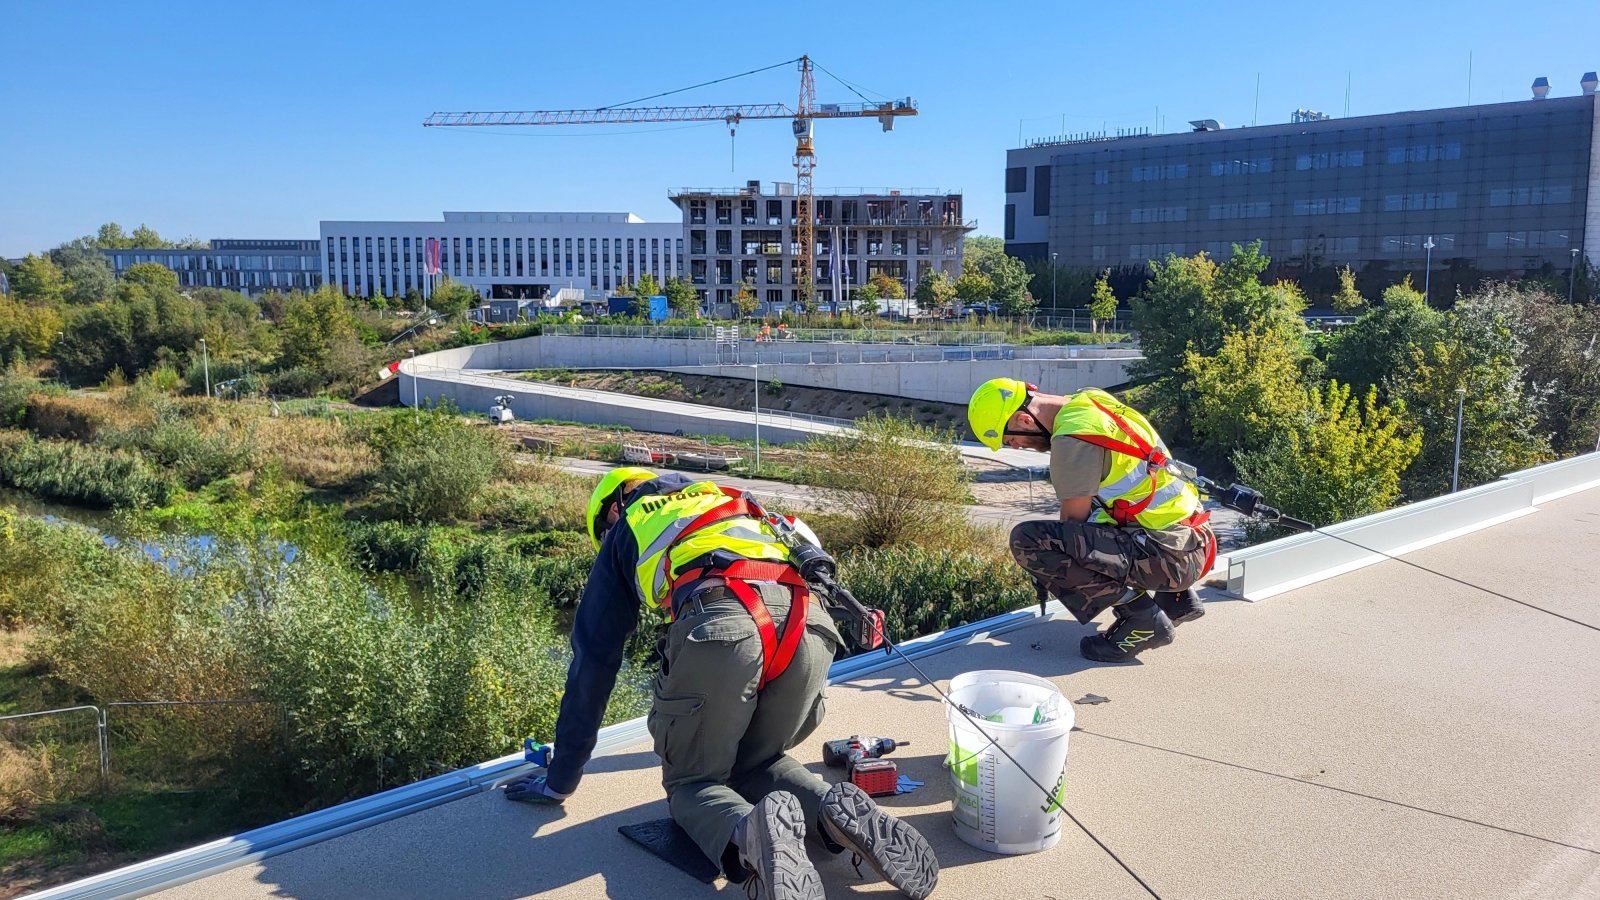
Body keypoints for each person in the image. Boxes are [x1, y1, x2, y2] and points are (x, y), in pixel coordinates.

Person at [502, 467, 938, 900]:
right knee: (755, 761)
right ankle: (830, 810)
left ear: (615, 507)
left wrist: (561, 779)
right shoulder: (736, 501)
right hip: (812, 629)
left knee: (694, 784)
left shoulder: (631, 525)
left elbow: (594, 659)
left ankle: (750, 834)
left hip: (724, 626)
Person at [967, 379, 1216, 662]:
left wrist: (1048, 571)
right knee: (1102, 518)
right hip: (1195, 542)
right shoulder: (1090, 401)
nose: (1019, 447)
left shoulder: (1072, 439)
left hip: (1172, 558)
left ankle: (1141, 620)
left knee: (1031, 541)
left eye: (1013, 440)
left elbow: (1073, 529)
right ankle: (1177, 599)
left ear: (1024, 420)